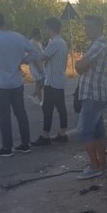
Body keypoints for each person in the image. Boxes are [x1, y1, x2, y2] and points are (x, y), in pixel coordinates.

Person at [0, 11, 40, 157]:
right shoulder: (18, 37)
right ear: (4, 21)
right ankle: (25, 144)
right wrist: (23, 60)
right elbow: (35, 53)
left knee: (4, 116)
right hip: (16, 82)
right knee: (21, 113)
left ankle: (7, 147)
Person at [75, 15, 107, 179]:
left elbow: (80, 67)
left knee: (85, 131)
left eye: (89, 26)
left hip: (92, 95)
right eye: (85, 26)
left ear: (99, 28)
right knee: (97, 132)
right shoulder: (97, 45)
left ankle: (94, 166)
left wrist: (78, 64)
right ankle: (102, 164)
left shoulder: (97, 45)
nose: (86, 30)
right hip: (96, 95)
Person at [31, 17, 69, 146]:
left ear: (50, 28)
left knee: (47, 109)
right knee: (61, 108)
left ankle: (45, 135)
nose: (45, 30)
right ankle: (62, 133)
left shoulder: (54, 43)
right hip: (59, 79)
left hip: (52, 81)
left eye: (46, 28)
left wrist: (31, 56)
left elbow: (43, 57)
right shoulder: (62, 42)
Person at [27, 28, 45, 105]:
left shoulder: (38, 43)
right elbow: (33, 56)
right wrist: (38, 68)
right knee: (39, 82)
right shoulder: (31, 43)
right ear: (36, 34)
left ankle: (33, 95)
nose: (41, 35)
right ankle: (41, 100)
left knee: (43, 82)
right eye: (40, 34)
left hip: (41, 65)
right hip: (35, 66)